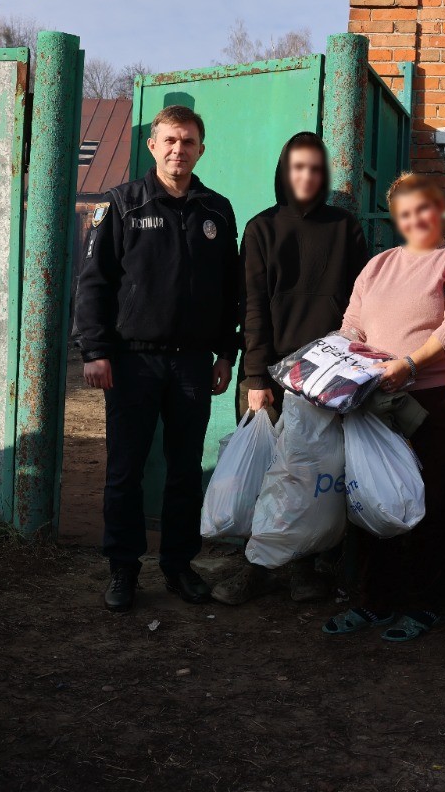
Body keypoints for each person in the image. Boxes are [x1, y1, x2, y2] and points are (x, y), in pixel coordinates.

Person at [74, 105, 240, 613]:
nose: (178, 150)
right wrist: (95, 351)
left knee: (185, 470)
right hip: (132, 363)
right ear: (152, 146)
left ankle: (178, 565)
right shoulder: (122, 204)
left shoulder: (217, 210)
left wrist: (226, 353)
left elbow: (230, 290)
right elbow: (94, 283)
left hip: (193, 364)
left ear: (201, 149)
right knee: (125, 470)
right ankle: (123, 568)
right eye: (169, 140)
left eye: (188, 141)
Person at [213, 132, 369, 606]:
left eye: (315, 168)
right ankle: (255, 568)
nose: (307, 176)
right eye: (298, 167)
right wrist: (256, 378)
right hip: (270, 373)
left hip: (325, 375)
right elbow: (252, 307)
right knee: (264, 471)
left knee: (310, 473)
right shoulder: (261, 228)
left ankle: (302, 567)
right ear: (285, 171)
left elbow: (360, 303)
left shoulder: (345, 228)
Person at [322, 173, 445, 643]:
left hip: (438, 397)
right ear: (396, 219)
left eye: (424, 208)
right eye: (405, 213)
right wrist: (339, 360)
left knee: (436, 498)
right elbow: (352, 324)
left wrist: (410, 364)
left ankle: (425, 603)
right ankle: (376, 601)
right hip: (375, 397)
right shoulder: (378, 264)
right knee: (374, 496)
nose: (416, 219)